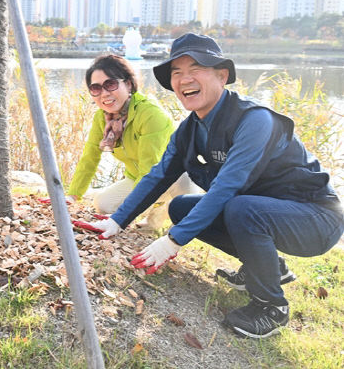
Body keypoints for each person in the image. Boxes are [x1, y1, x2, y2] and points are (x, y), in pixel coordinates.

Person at [92, 33, 343, 339]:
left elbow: (227, 187)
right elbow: (159, 175)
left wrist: (171, 242)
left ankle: (272, 307)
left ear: (222, 75)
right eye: (176, 73)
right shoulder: (190, 128)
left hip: (316, 218)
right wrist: (117, 221)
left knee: (240, 207)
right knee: (181, 208)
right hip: (265, 211)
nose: (185, 80)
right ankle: (269, 268)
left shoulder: (255, 120)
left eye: (195, 69)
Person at [67, 54, 195, 231]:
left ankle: (161, 214)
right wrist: (72, 195)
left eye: (110, 84)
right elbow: (90, 156)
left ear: (128, 84)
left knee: (183, 196)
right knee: (103, 204)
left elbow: (150, 169)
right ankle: (155, 206)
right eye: (96, 88)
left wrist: (121, 217)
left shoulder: (150, 114)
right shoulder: (102, 117)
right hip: (137, 177)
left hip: (175, 176)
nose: (104, 93)